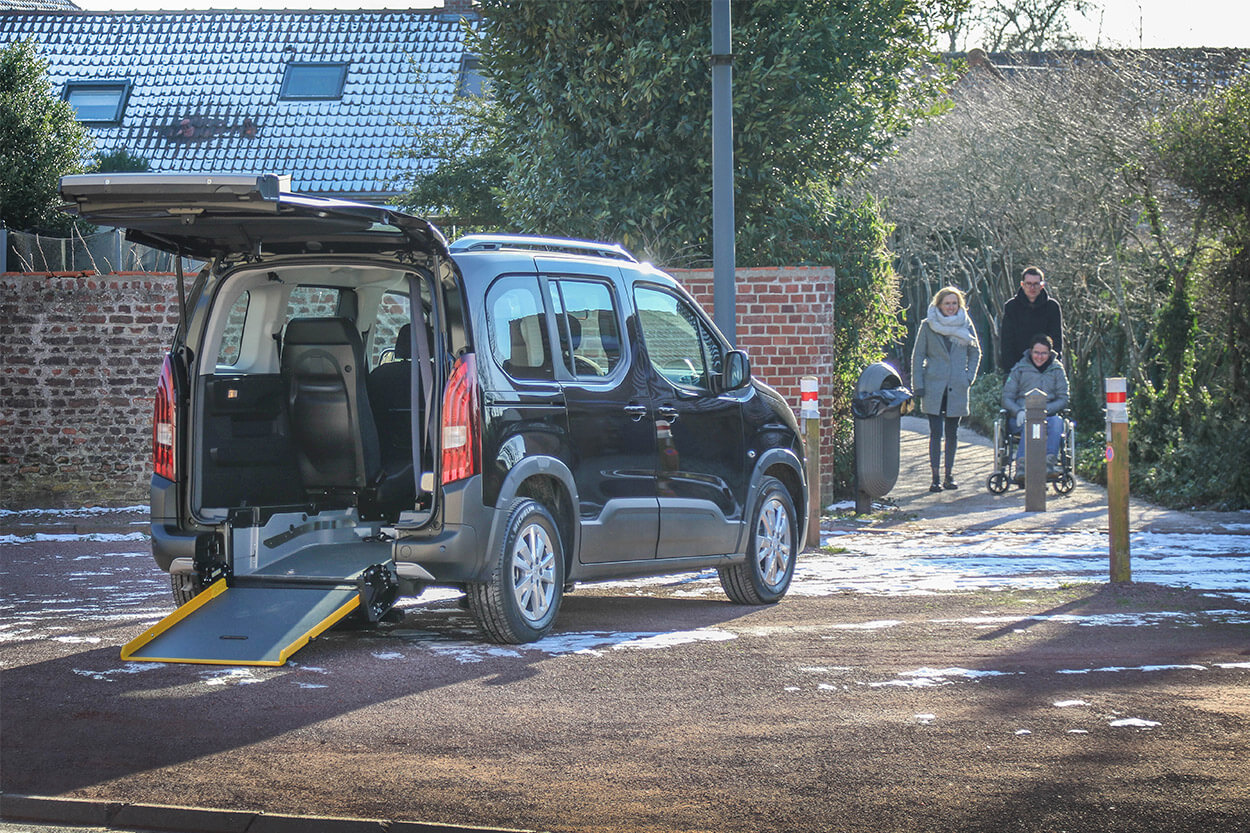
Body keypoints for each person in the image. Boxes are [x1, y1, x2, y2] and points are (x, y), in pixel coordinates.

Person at [911, 286, 981, 493]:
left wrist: (969, 377)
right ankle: (935, 477)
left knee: (952, 433)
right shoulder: (928, 325)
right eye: (947, 303)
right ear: (939, 305)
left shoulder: (966, 324)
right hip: (934, 386)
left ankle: (949, 475)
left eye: (954, 303)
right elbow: (918, 356)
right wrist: (919, 385)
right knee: (935, 432)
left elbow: (976, 352)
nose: (951, 307)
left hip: (957, 386)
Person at [1002, 334, 1069, 478]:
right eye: (1036, 352)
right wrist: (1018, 411)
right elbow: (1006, 398)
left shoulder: (1057, 370)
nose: (1040, 357)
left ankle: (1049, 464)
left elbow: (1063, 398)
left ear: (1050, 353)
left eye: (1044, 353)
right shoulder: (1019, 369)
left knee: (1057, 422)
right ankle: (1022, 467)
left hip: (1048, 417)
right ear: (1031, 352)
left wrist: (1045, 411)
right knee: (1030, 421)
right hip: (1020, 418)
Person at [999, 266, 1063, 373]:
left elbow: (1056, 340)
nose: (1032, 288)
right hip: (1017, 368)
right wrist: (1011, 370)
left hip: (1046, 368)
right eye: (1028, 284)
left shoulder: (1052, 307)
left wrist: (1052, 366)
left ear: (1042, 286)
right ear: (1022, 285)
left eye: (1036, 284)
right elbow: (1007, 342)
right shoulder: (1011, 307)